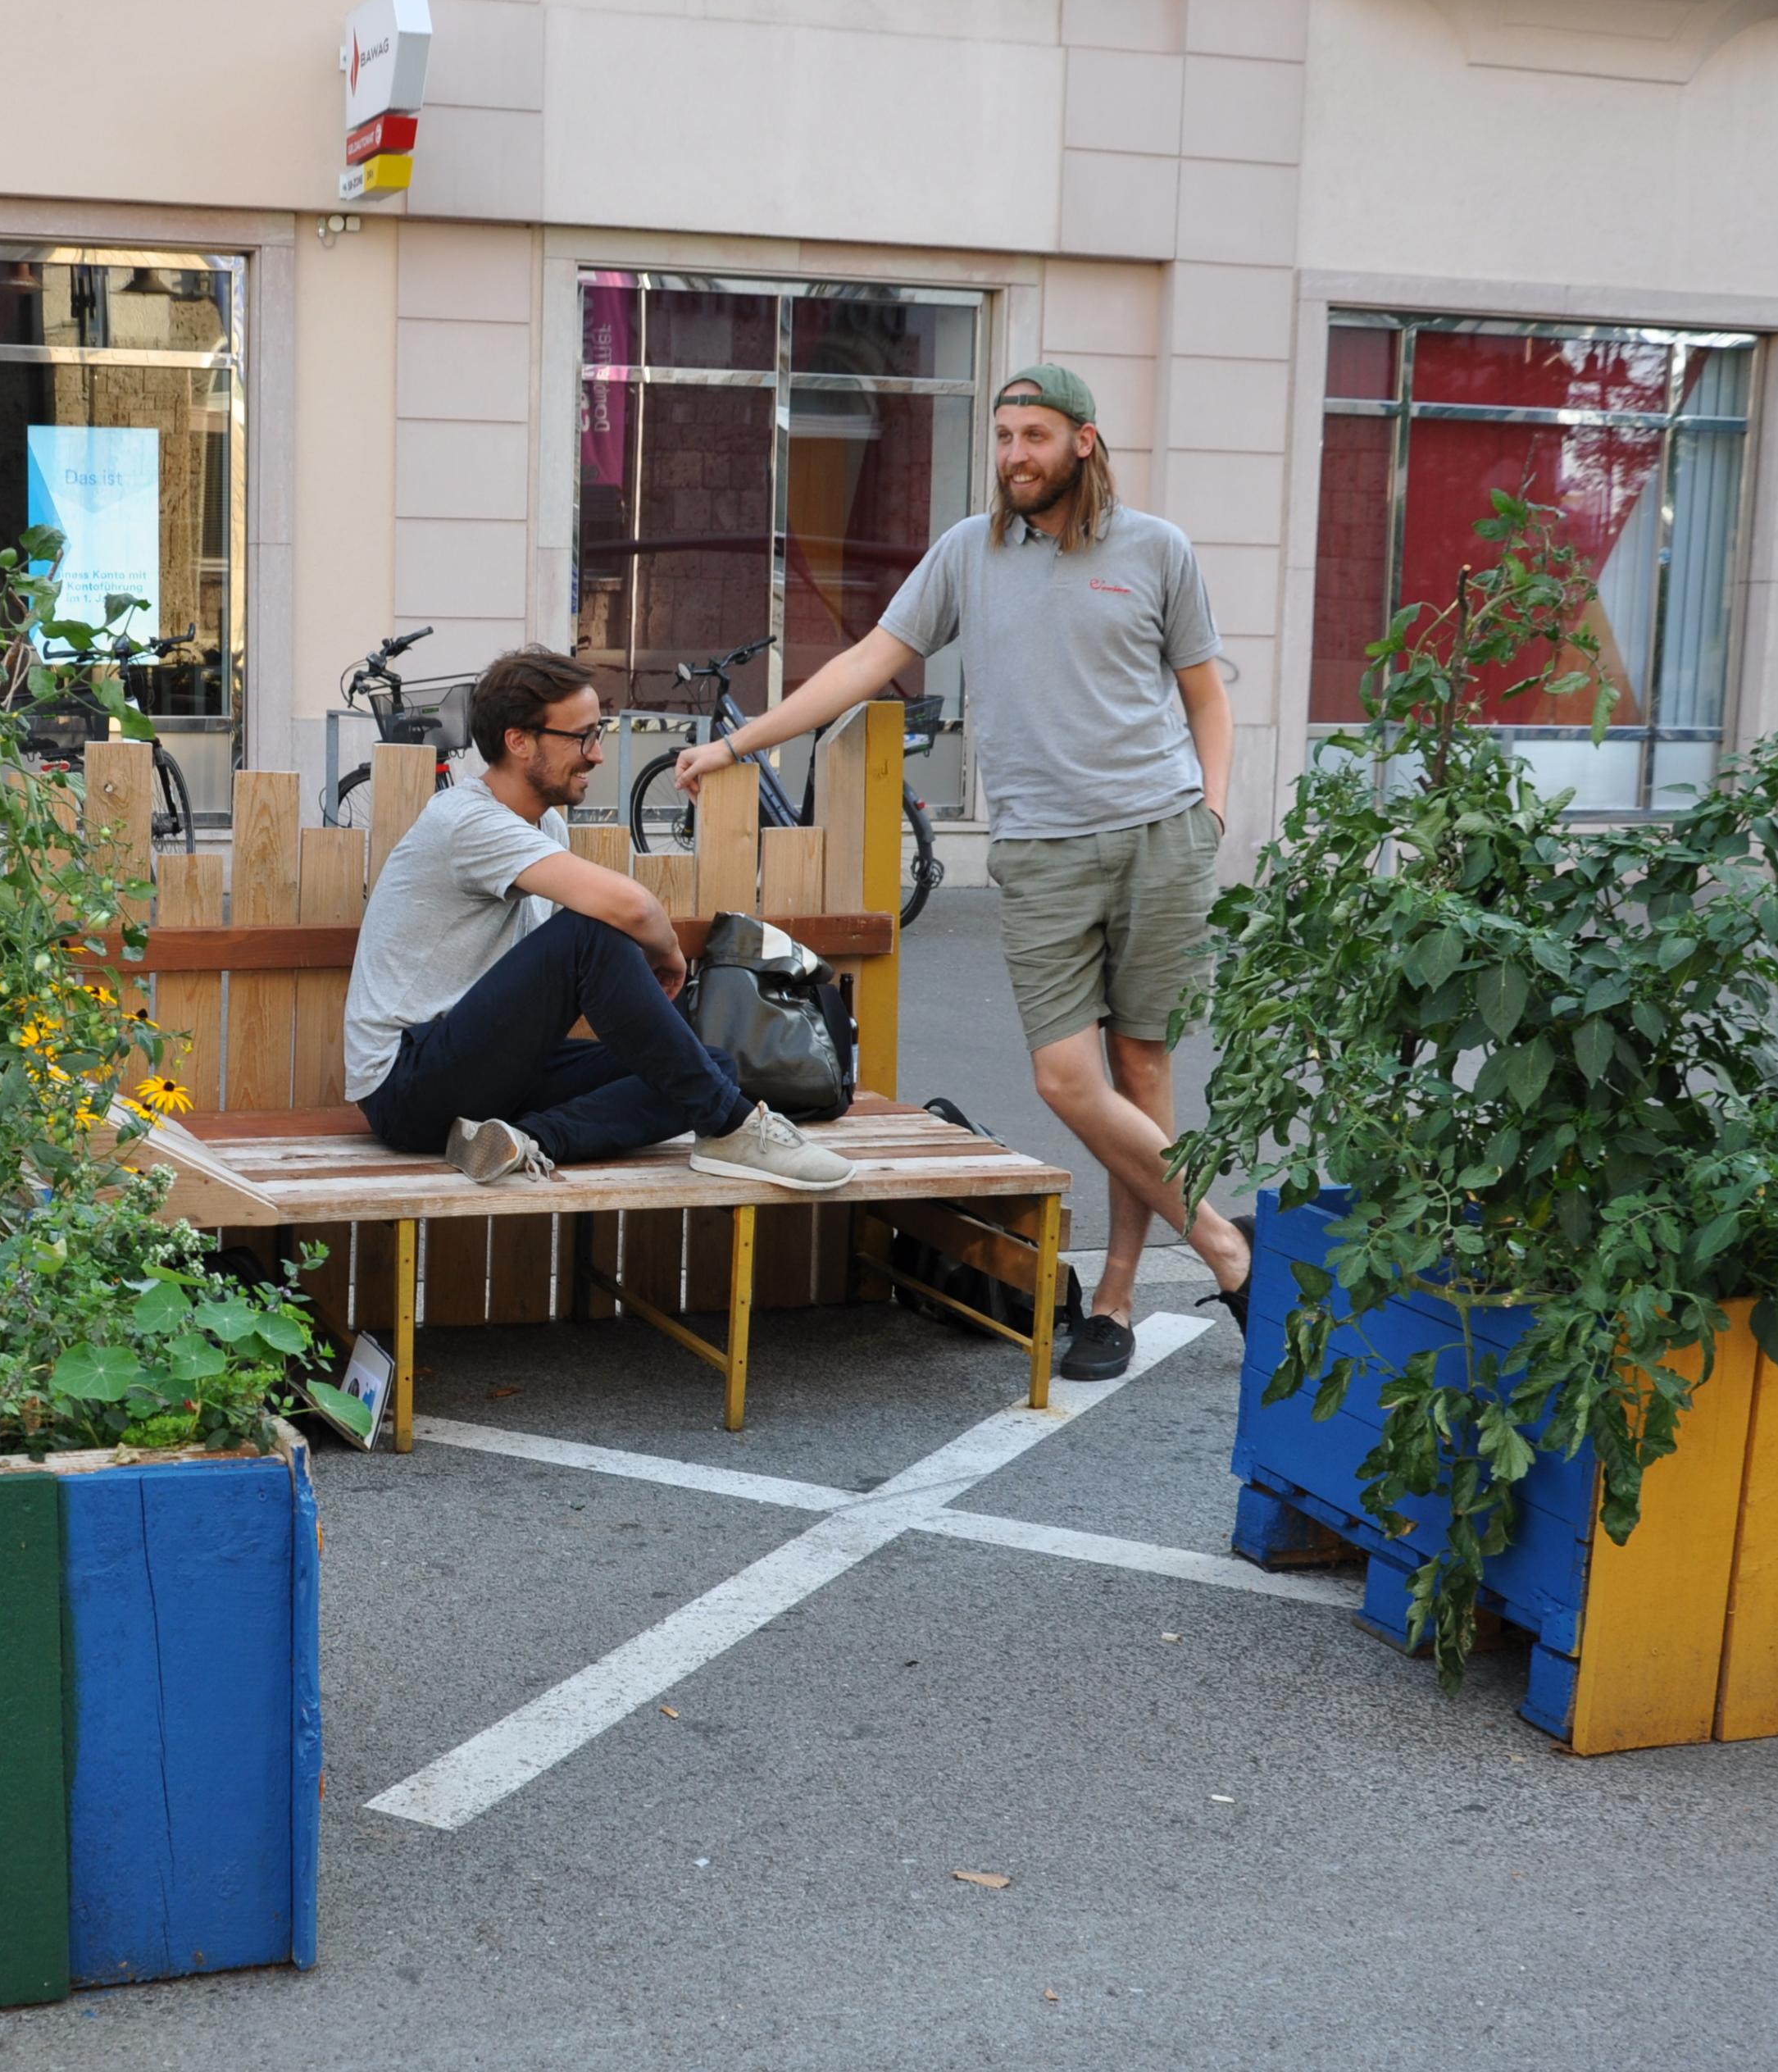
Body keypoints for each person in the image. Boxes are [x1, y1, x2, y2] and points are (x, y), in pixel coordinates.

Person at [673, 363, 1250, 1378]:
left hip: (1160, 834)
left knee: (1142, 1071)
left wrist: (1211, 809)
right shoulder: (968, 553)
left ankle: (1114, 1299)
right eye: (1004, 436)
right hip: (1042, 847)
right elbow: (866, 660)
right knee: (1066, 1077)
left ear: (1082, 441)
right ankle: (1227, 1248)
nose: (1015, 455)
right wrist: (737, 743)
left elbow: (1205, 694)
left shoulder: (1156, 548)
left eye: (1035, 436)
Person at [343, 646, 855, 1192]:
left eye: (600, 732)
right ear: (519, 741)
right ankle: (734, 1130)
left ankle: (525, 1141)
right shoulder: (467, 821)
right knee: (592, 933)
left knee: (710, 1069)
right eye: (583, 737)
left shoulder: (545, 828)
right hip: (408, 1082)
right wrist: (667, 953)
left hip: (484, 1073)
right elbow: (629, 909)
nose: (598, 754)